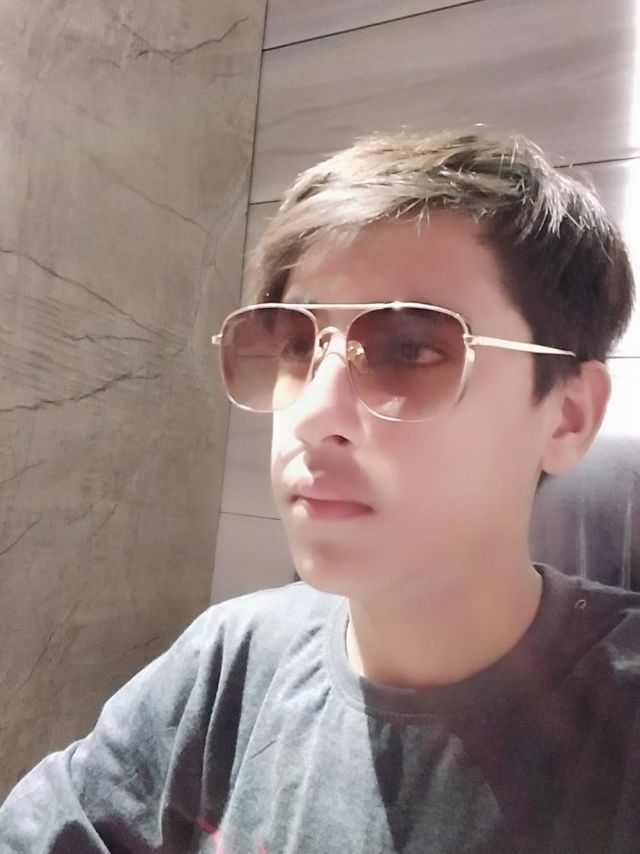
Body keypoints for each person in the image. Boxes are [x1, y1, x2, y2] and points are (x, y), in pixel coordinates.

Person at [1, 128, 638, 854]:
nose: (312, 414)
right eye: (298, 347)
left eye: (410, 349)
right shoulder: (233, 660)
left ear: (568, 415)